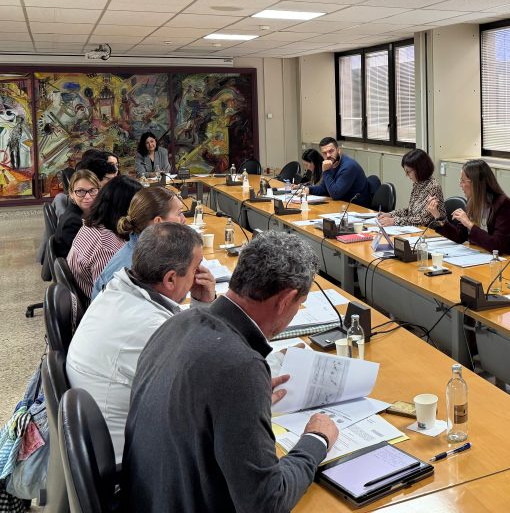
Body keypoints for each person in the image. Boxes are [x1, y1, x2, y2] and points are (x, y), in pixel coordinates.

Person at [122, 231, 339, 513]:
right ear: (286, 300)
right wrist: (316, 441)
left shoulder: (178, 322)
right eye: (300, 303)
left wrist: (248, 403)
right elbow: (267, 503)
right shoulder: (240, 368)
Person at [67, 222, 215, 463]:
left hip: (99, 444)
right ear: (170, 279)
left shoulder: (118, 289)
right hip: (126, 465)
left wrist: (202, 305)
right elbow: (204, 389)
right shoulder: (154, 329)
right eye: (195, 268)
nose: (199, 274)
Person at [92, 186, 186, 298]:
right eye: (179, 213)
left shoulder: (148, 248)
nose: (184, 219)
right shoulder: (135, 269)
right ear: (158, 222)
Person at [67, 176, 141, 297]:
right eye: (138, 207)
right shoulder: (106, 246)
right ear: (126, 209)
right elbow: (107, 294)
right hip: (97, 302)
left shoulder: (95, 224)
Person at [430, 160, 510, 254]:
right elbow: (459, 237)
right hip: (478, 254)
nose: (460, 185)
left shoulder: (503, 204)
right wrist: (438, 217)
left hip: (500, 258)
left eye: (463, 181)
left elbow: (497, 246)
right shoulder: (472, 201)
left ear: (475, 183)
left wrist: (469, 224)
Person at [377, 149, 445, 228]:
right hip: (417, 229)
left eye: (408, 171)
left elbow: (423, 220)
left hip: (431, 231)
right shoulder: (418, 184)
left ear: (419, 169)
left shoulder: (433, 187)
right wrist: (390, 214)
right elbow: (410, 211)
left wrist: (394, 221)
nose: (406, 175)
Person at [50, 170, 100, 259]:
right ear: (71, 194)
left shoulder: (86, 212)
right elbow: (87, 256)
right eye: (80, 191)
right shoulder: (72, 222)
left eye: (92, 190)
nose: (87, 196)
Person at [307, 137, 370, 205]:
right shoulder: (330, 164)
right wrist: (308, 189)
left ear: (338, 150)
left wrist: (326, 171)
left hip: (357, 207)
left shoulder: (348, 166)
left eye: (331, 151)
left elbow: (335, 194)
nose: (328, 155)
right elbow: (323, 188)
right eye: (324, 153)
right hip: (342, 204)